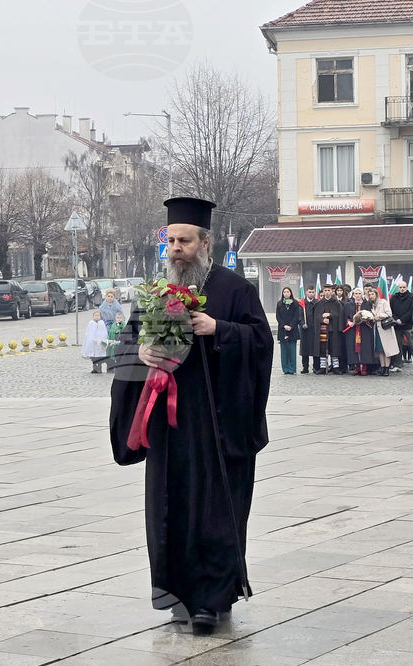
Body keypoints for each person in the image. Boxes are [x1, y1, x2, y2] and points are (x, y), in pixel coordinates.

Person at [110, 196, 273, 635]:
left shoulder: (236, 290)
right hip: (168, 428)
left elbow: (260, 343)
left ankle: (213, 599)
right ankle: (177, 592)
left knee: (216, 510)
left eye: (184, 240)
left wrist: (219, 329)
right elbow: (125, 349)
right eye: (170, 241)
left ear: (205, 243)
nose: (176, 248)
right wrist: (139, 352)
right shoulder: (155, 294)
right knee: (171, 508)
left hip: (219, 425)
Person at [365, 286, 398, 376]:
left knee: (386, 349)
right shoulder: (371, 305)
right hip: (376, 328)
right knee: (379, 349)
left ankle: (387, 368)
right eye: (370, 294)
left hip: (385, 328)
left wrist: (379, 316)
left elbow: (389, 313)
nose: (371, 296)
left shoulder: (383, 302)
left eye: (373, 294)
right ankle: (382, 367)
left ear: (376, 294)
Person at [313, 284, 345, 374]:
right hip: (322, 330)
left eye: (329, 290)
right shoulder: (319, 303)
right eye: (325, 290)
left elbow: (340, 315)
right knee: (322, 348)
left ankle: (335, 367)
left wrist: (330, 315)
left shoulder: (336, 303)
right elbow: (315, 317)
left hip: (333, 330)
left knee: (334, 348)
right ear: (323, 292)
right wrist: (322, 319)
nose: (327, 292)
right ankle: (323, 367)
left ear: (332, 292)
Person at [344, 288, 374, 375]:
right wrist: (349, 322)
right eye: (356, 293)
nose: (357, 295)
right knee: (354, 348)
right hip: (353, 330)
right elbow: (346, 316)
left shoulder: (367, 304)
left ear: (362, 294)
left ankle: (364, 367)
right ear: (353, 295)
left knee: (364, 348)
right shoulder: (349, 305)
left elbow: (370, 315)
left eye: (359, 293)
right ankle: (357, 367)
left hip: (364, 329)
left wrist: (365, 319)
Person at [389, 281, 413, 372]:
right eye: (400, 287)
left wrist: (402, 319)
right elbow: (391, 310)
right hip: (397, 325)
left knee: (412, 345)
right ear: (398, 288)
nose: (402, 289)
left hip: (408, 325)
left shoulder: (412, 297)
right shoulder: (394, 297)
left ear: (406, 287)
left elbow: (412, 310)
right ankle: (398, 364)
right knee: (397, 346)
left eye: (404, 287)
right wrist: (396, 319)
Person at [275, 287, 301, 375]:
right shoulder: (279, 304)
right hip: (283, 329)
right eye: (284, 292)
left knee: (292, 350)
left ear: (290, 293)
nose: (286, 293)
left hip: (292, 329)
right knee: (284, 350)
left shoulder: (295, 303)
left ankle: (292, 368)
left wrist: (291, 325)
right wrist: (284, 325)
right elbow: (278, 316)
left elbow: (297, 316)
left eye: (287, 292)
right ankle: (285, 368)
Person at [299, 286, 316, 374]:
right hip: (305, 330)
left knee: (315, 348)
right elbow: (299, 316)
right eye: (309, 292)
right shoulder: (302, 304)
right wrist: (302, 324)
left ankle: (315, 367)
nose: (311, 294)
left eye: (313, 292)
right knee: (305, 349)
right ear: (306, 292)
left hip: (314, 330)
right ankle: (305, 367)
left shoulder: (317, 303)